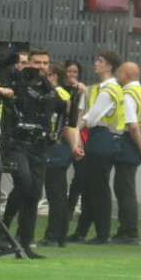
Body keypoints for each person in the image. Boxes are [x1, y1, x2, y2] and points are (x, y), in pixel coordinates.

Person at [0, 49, 70, 257]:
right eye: (37, 63)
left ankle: (24, 243)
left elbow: (65, 111)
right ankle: (5, 226)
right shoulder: (17, 84)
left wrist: (73, 96)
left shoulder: (50, 90)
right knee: (25, 182)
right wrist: (4, 91)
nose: (41, 67)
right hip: (17, 143)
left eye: (45, 63)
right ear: (29, 64)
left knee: (34, 193)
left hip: (39, 146)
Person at [75, 49, 123, 245]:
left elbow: (91, 118)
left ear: (109, 66)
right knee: (90, 187)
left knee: (99, 188)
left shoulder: (108, 90)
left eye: (100, 61)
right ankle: (82, 231)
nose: (96, 63)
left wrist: (74, 133)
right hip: (102, 139)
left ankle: (103, 234)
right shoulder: (101, 89)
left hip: (102, 139)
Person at [39, 61, 83, 248]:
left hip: (55, 148)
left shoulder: (55, 95)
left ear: (54, 76)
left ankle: (53, 234)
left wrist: (73, 146)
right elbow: (71, 124)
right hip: (62, 148)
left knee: (55, 194)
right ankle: (61, 235)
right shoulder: (65, 94)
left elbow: (64, 125)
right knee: (59, 194)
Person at [112, 61, 141, 244]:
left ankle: (128, 231)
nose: (116, 74)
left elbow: (133, 126)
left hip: (129, 141)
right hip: (136, 141)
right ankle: (128, 230)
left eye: (119, 71)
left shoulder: (128, 94)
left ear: (127, 74)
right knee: (127, 187)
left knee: (124, 189)